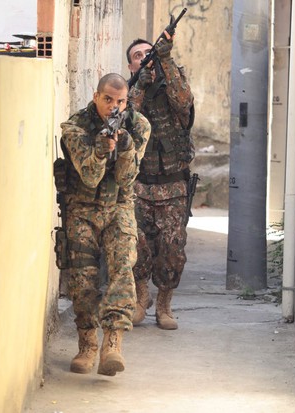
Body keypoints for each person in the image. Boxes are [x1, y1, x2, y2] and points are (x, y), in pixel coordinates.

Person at [59, 73, 150, 376]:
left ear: (128, 101)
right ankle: (87, 344)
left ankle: (113, 342)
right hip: (82, 207)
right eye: (108, 99)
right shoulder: (76, 127)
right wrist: (99, 150)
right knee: (82, 278)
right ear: (96, 96)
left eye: (120, 101)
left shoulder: (138, 126)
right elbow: (90, 176)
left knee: (123, 266)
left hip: (119, 206)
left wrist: (123, 147)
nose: (113, 107)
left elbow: (127, 178)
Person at [126, 33, 195, 330]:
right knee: (137, 246)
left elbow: (184, 101)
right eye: (137, 56)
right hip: (139, 185)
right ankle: (142, 298)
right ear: (131, 67)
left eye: (148, 53)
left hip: (173, 186)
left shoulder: (173, 87)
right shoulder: (129, 90)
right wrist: (140, 83)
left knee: (172, 248)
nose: (144, 58)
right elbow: (127, 119)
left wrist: (165, 60)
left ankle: (164, 304)